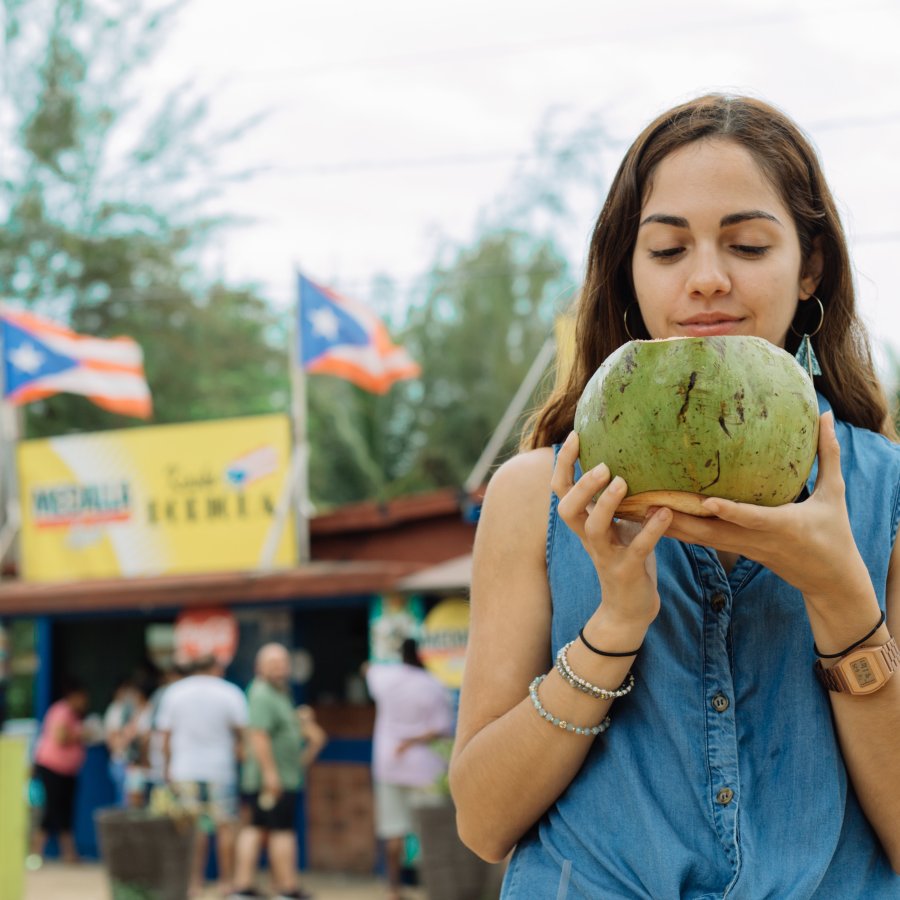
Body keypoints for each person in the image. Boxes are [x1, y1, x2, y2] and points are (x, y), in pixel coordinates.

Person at [449, 93, 900, 898]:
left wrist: (841, 600)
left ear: (810, 266)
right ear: (628, 271)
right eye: (666, 250)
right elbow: (482, 823)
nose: (706, 281)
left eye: (749, 244)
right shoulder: (535, 496)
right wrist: (613, 627)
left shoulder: (890, 497)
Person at [230, 643, 326, 900]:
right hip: (272, 780)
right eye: (273, 663)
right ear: (259, 667)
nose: (279, 667)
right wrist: (271, 775)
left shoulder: (280, 693)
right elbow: (258, 735)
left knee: (256, 828)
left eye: (283, 662)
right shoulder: (261, 693)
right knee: (281, 831)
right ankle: (286, 888)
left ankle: (244, 888)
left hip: (280, 776)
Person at [365, 638, 454, 900]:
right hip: (424, 768)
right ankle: (431, 888)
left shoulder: (384, 677)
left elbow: (366, 668)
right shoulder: (434, 686)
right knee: (428, 832)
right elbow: (442, 729)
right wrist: (413, 740)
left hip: (388, 764)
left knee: (393, 831)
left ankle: (393, 888)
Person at [157, 654, 248, 897]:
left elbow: (165, 736)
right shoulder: (230, 692)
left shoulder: (174, 692)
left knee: (192, 828)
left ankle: (193, 883)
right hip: (221, 770)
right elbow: (242, 733)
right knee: (225, 827)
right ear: (216, 668)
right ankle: (225, 883)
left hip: (184, 769)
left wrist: (166, 766)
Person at [29, 679, 90, 867]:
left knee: (64, 811)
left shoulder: (73, 714)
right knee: (52, 810)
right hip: (52, 768)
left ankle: (69, 853)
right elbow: (61, 738)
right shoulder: (61, 711)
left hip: (66, 771)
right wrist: (82, 734)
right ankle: (35, 853)